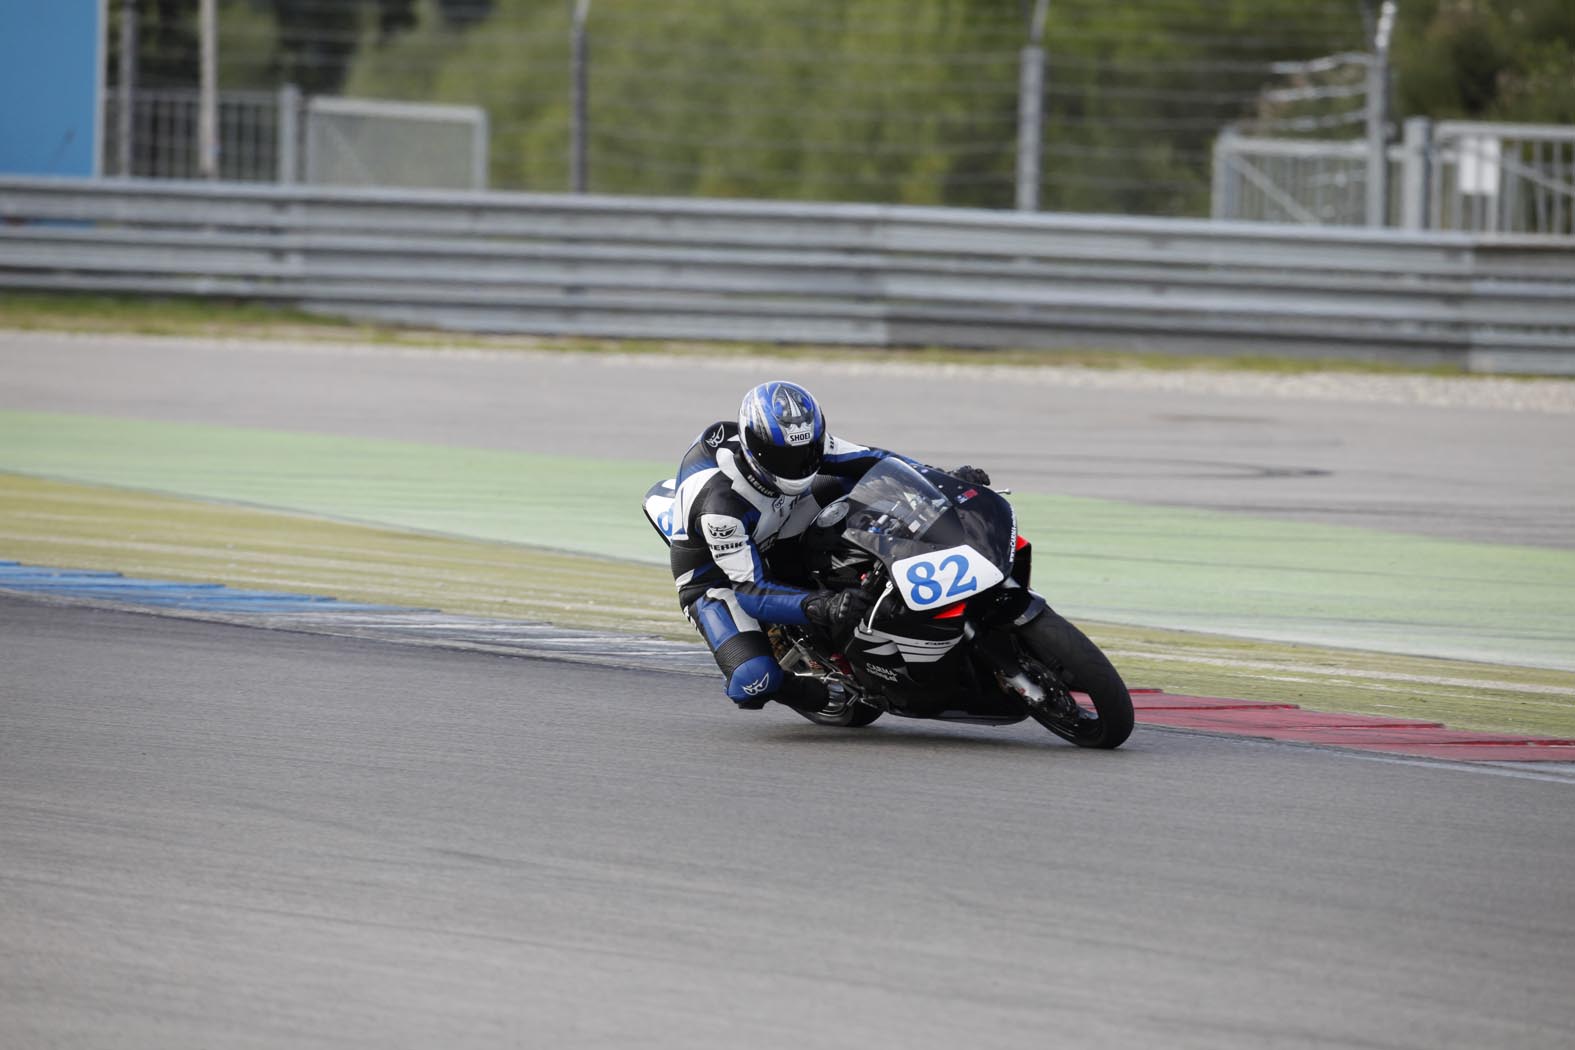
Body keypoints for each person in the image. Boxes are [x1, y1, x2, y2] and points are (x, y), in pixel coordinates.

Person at [666, 380, 990, 715]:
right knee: (753, 679)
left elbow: (874, 461)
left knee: (872, 488)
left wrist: (941, 480)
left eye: (805, 453)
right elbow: (751, 591)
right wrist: (825, 606)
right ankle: (805, 692)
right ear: (755, 450)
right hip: (719, 577)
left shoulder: (802, 442)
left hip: (780, 516)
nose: (798, 465)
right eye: (784, 457)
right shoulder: (720, 507)